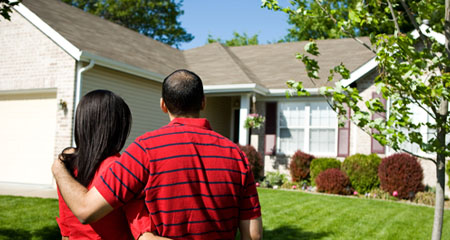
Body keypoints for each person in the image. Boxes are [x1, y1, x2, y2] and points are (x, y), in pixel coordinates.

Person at [52, 70, 263, 240]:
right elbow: (253, 235)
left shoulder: (144, 150)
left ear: (163, 105)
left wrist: (58, 167)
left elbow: (85, 210)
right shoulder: (238, 156)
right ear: (203, 102)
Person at [56, 90, 164, 240]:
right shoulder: (120, 168)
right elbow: (144, 233)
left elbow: (66, 231)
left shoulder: (65, 169)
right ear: (117, 128)